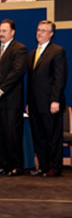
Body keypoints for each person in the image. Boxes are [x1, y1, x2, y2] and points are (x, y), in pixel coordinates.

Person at [0, 19, 28, 176]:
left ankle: (16, 166)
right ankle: (4, 165)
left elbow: (16, 72)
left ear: (12, 32)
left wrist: (1, 90)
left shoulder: (20, 49)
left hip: (10, 100)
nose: (1, 34)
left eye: (4, 31)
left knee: (12, 134)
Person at [26, 20, 67, 177]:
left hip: (51, 103)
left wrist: (55, 100)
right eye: (38, 30)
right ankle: (43, 167)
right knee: (39, 137)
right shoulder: (33, 53)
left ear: (51, 34)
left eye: (44, 30)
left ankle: (55, 168)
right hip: (35, 104)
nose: (40, 33)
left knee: (53, 137)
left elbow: (59, 78)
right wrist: (28, 102)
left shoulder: (57, 51)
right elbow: (31, 81)